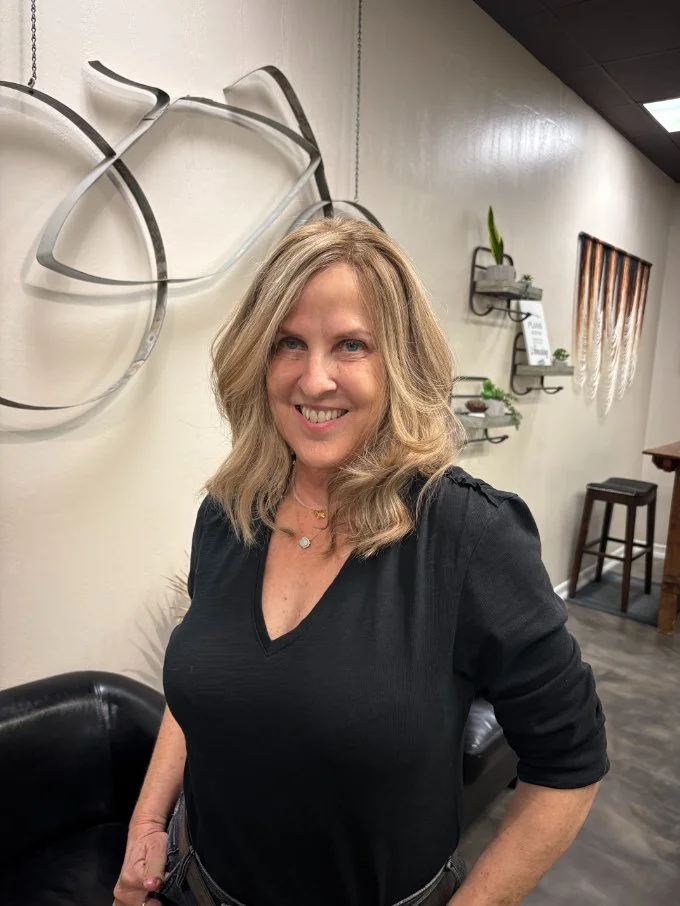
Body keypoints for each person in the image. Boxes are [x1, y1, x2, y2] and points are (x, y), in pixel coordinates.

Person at [113, 217, 609, 906]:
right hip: (197, 885)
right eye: (289, 342)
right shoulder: (227, 516)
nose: (315, 380)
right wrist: (147, 824)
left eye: (350, 345)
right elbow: (201, 685)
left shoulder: (467, 536)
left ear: (397, 363)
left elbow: (570, 764)